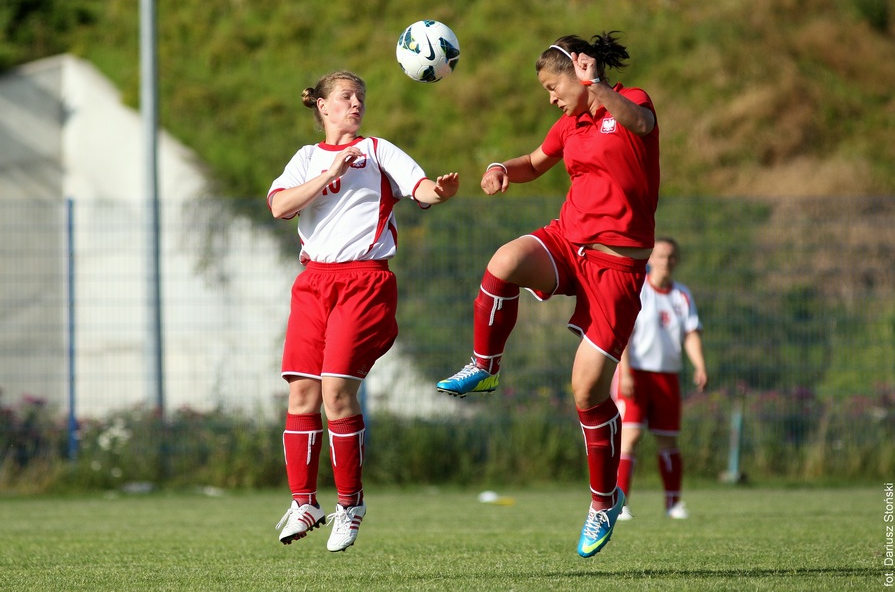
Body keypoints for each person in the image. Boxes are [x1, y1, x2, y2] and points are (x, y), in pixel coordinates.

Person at [436, 33, 659, 558]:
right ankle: (485, 366)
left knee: (586, 393)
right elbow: (535, 162)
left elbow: (641, 125)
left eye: (553, 85)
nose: (551, 98)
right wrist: (499, 169)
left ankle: (604, 502)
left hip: (616, 269)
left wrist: (597, 86)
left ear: (581, 73)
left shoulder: (633, 103)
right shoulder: (569, 124)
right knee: (504, 262)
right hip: (569, 241)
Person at [268, 71, 459, 552]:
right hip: (313, 283)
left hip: (364, 281)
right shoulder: (307, 159)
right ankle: (305, 503)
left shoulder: (377, 150)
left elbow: (421, 189)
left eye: (360, 98)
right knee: (301, 394)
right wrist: (330, 173)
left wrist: (440, 191)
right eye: (346, 97)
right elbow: (280, 206)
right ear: (324, 108)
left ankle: (350, 507)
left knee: (335, 392)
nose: (356, 104)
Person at [613, 236, 707, 521]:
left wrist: (700, 365)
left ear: (676, 261)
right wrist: (625, 371)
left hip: (667, 376)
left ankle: (673, 504)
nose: (666, 261)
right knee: (629, 436)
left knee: (668, 440)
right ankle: (620, 504)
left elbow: (690, 333)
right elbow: (623, 333)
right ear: (651, 259)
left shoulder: (682, 295)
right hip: (636, 375)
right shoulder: (639, 290)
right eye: (661, 256)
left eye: (671, 257)